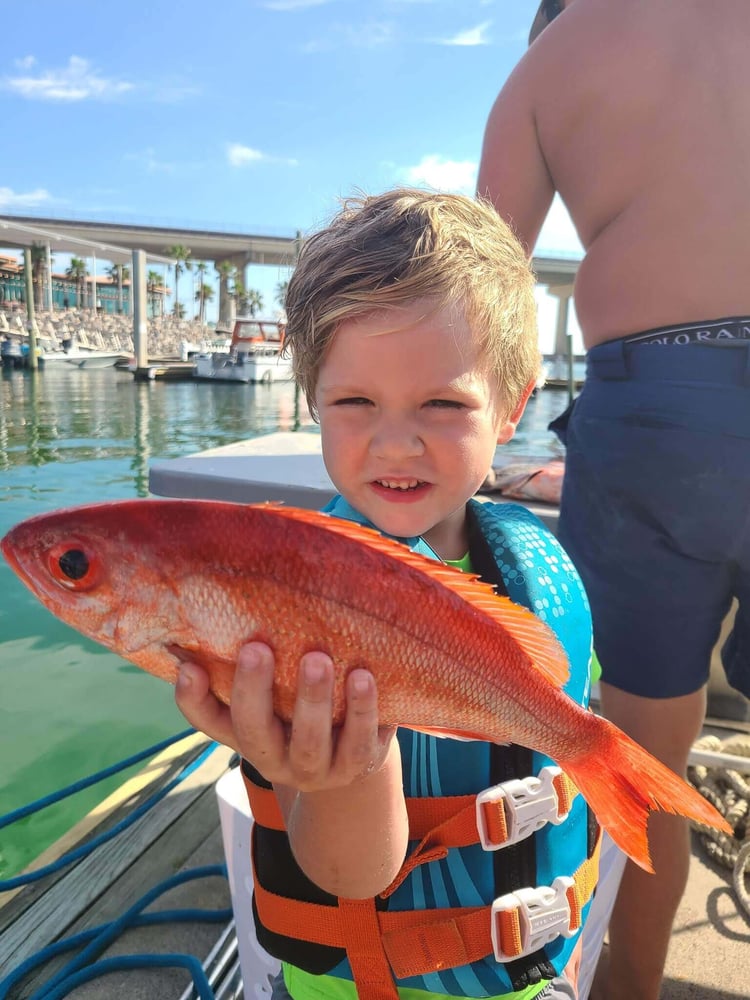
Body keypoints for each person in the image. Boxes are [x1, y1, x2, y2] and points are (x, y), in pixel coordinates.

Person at [175, 188, 598, 1000]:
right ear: (312, 405)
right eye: (355, 402)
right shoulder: (287, 602)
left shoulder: (541, 573)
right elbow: (353, 873)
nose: (396, 441)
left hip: (525, 974)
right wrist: (341, 769)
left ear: (511, 408)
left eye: (442, 403)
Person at [475, 2, 750, 998]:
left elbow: (481, 301)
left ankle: (630, 988)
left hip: (655, 423)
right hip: (662, 425)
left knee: (641, 769)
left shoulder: (552, 65)